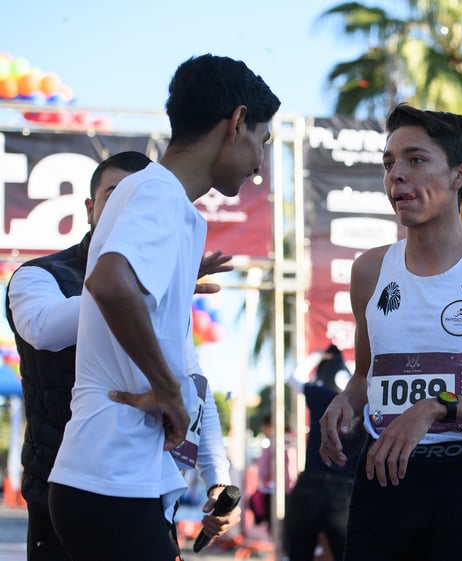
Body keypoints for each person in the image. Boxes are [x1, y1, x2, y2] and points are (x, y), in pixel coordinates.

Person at [45, 55, 280, 561]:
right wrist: (168, 391)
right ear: (236, 122)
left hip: (121, 477)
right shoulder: (159, 192)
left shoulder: (162, 198)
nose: (260, 166)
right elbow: (109, 283)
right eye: (262, 142)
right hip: (110, 478)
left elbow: (176, 356)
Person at [318, 104, 462, 561]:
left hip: (460, 482)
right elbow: (366, 377)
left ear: (460, 173)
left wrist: (435, 408)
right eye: (389, 163)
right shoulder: (369, 269)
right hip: (379, 478)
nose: (396, 176)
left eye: (416, 160)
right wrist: (344, 402)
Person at [5, 152, 239, 561]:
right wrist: (136, 290)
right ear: (91, 209)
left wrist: (218, 479)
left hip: (144, 493)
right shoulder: (38, 275)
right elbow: (43, 328)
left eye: (140, 195)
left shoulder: (162, 286)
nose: (130, 205)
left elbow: (192, 384)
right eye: (117, 193)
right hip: (66, 497)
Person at [285, 344, 364, 561]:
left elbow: (294, 378)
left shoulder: (322, 396)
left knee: (298, 555)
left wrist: (316, 356)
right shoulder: (365, 405)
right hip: (345, 493)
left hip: (310, 486)